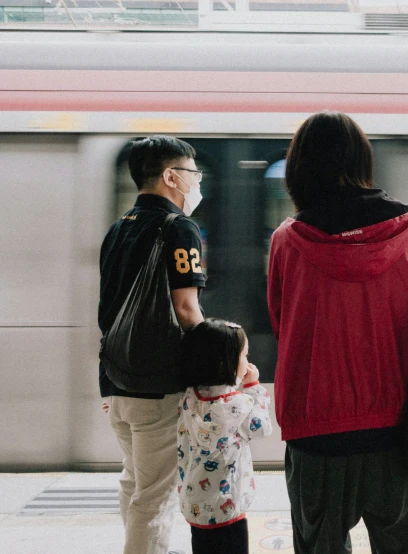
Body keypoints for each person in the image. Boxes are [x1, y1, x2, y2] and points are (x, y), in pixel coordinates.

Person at [267, 111, 408, 554]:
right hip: (396, 426)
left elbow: (282, 323)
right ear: (363, 161)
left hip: (314, 427)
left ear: (299, 167)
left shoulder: (288, 240)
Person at [98, 135, 206, 554]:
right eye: (194, 174)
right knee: (155, 497)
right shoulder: (180, 228)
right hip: (157, 386)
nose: (197, 183)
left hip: (116, 381)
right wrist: (232, 358)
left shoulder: (117, 227)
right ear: (170, 176)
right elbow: (186, 309)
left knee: (135, 481)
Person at [177, 318, 272, 554]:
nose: (247, 361)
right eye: (244, 356)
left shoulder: (191, 397)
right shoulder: (237, 405)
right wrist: (253, 387)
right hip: (228, 506)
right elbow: (261, 428)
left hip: (195, 502)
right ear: (226, 362)